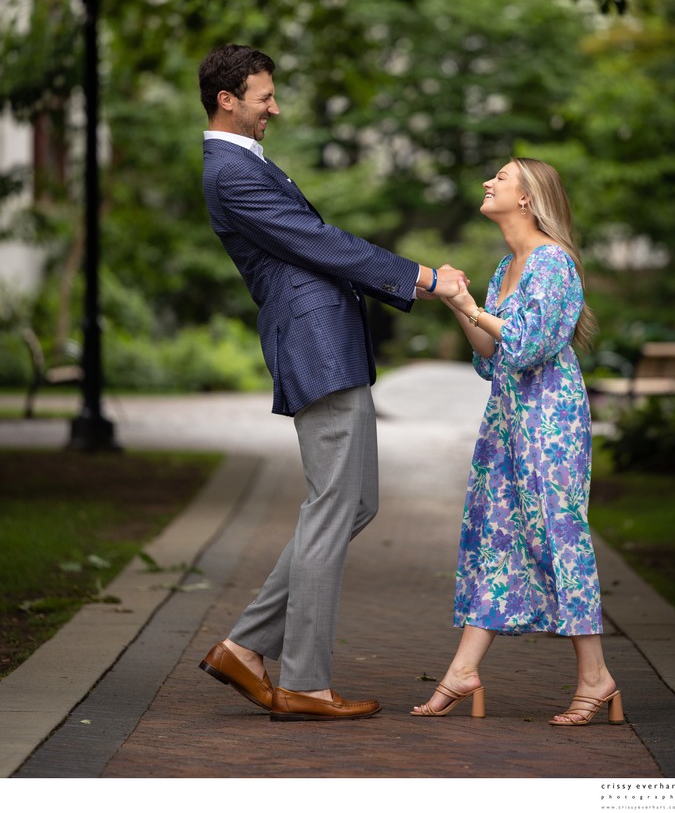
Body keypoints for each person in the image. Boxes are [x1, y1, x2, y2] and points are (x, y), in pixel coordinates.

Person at [197, 43, 465, 722]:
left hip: (326, 342)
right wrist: (420, 277)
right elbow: (321, 244)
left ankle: (245, 646)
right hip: (314, 343)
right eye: (264, 97)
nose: (274, 108)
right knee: (332, 503)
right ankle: (305, 681)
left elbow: (317, 241)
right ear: (227, 99)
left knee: (354, 500)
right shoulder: (231, 171)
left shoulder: (244, 163)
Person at [411, 157, 624, 727]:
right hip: (507, 417)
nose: (488, 182)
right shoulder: (507, 263)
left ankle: (595, 677)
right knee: (495, 536)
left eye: (501, 178)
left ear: (528, 198)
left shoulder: (553, 263)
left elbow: (527, 346)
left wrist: (474, 308)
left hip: (551, 420)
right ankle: (462, 671)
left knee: (559, 535)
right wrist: (461, 306)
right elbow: (490, 358)